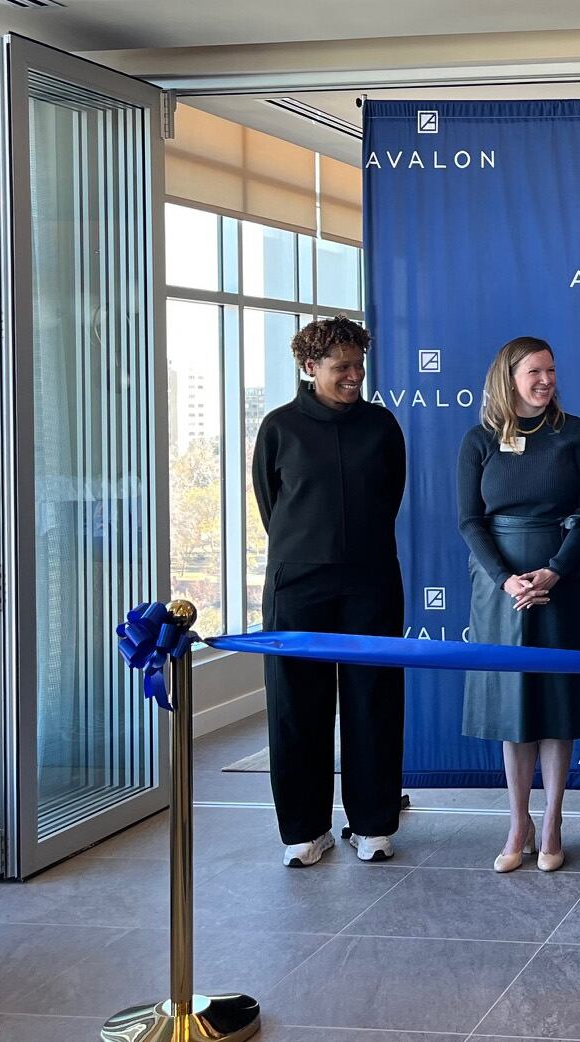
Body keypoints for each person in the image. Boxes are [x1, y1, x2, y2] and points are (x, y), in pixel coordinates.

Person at [253, 315, 407, 867]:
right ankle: (304, 829)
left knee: (373, 700)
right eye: (342, 367)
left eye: (359, 364)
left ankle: (372, 824)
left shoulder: (382, 426)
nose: (354, 375)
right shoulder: (278, 427)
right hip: (297, 582)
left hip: (370, 579)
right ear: (310, 366)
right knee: (298, 704)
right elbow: (272, 503)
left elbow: (390, 494)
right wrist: (310, 550)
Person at [457, 337, 580, 873]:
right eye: (534, 372)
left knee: (557, 701)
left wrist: (554, 571)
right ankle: (517, 823)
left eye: (551, 371)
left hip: (562, 579)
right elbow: (470, 520)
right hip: (500, 588)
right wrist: (506, 580)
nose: (546, 381)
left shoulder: (576, 433)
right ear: (508, 377)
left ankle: (554, 820)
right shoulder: (479, 440)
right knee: (511, 704)